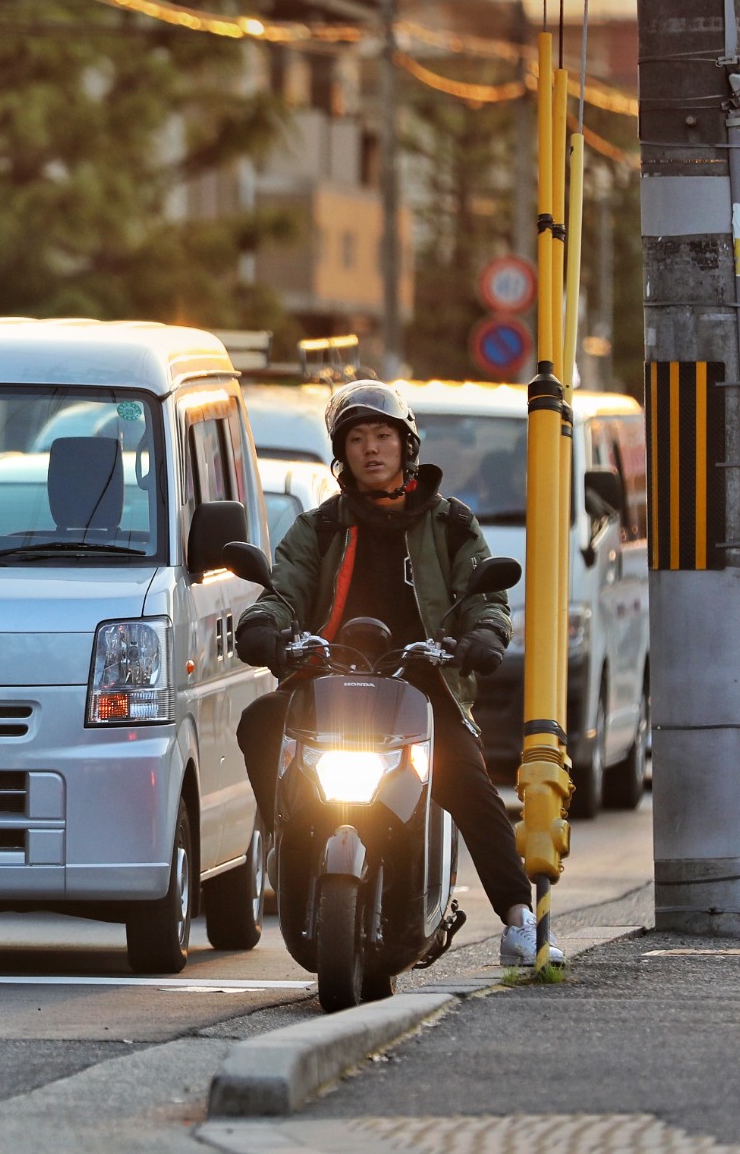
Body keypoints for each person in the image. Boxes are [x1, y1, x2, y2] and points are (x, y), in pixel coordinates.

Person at [233, 380, 548, 967]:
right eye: (357, 438)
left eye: (382, 435)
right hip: (326, 681)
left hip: (422, 686)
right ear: (342, 452)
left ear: (408, 446)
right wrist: (263, 623)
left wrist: (483, 635)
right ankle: (284, 841)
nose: (371, 449)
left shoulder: (451, 523)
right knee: (259, 721)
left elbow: (485, 596)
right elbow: (286, 588)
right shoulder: (320, 526)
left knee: (472, 785)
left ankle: (518, 919)